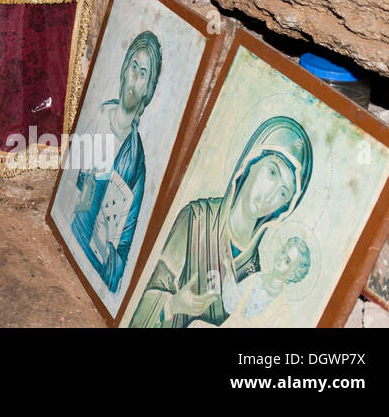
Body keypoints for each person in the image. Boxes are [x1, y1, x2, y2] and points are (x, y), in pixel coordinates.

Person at [128, 116, 313, 328]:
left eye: (283, 193)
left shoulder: (254, 269)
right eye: (272, 172)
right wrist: (172, 305)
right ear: (251, 162)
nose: (270, 196)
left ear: (284, 208)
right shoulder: (196, 219)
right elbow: (140, 302)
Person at [70, 31, 162, 293]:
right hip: (73, 233)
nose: (134, 77)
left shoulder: (136, 163)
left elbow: (122, 252)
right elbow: (71, 190)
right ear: (124, 69)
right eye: (133, 66)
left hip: (93, 260)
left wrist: (104, 245)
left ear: (149, 89)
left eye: (143, 73)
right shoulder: (99, 116)